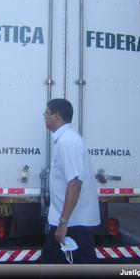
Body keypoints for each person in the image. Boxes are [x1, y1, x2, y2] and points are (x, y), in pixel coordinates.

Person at [41, 98, 100, 264]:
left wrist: (63, 223)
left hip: (73, 223)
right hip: (69, 220)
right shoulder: (65, 140)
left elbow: (75, 183)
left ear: (57, 116)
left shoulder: (67, 142)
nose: (44, 118)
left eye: (46, 114)